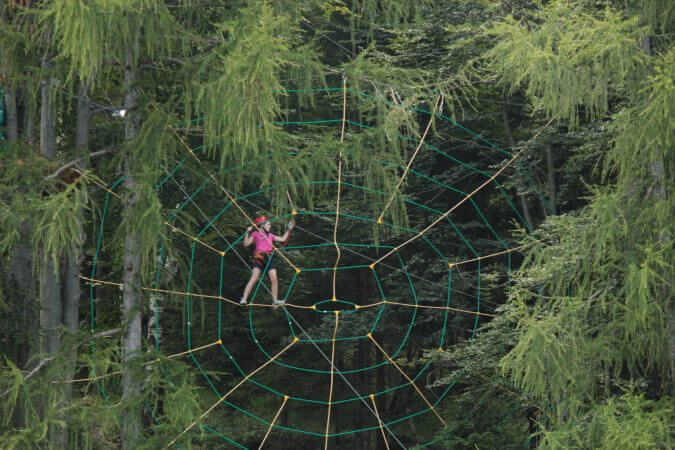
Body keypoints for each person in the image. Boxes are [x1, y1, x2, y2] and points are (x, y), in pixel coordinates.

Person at [239, 216, 294, 306]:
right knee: (254, 278)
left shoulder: (271, 236)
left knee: (274, 278)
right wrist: (247, 232)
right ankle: (244, 299)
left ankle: (275, 300)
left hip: (269, 258)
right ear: (261, 225)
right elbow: (246, 244)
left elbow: (283, 239)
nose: (270, 226)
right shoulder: (255, 234)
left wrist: (289, 229)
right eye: (268, 224)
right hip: (259, 257)